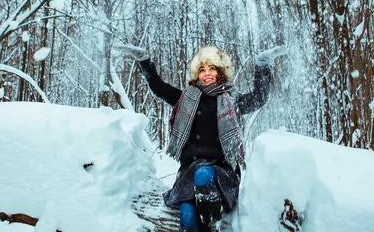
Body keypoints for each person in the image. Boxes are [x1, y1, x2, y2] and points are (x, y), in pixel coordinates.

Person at [119, 44, 284, 232]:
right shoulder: (186, 98)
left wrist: (262, 64)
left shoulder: (231, 100)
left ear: (221, 72)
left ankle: (211, 226)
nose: (207, 73)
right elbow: (159, 88)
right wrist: (144, 60)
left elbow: (259, 97)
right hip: (189, 173)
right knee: (188, 212)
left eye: (212, 68)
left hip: (221, 172)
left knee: (203, 174)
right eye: (202, 69)